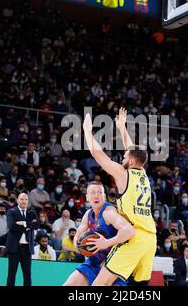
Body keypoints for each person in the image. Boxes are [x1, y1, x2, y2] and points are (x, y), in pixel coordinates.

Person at [83, 108, 157, 286]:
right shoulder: (143, 174)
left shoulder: (124, 174)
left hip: (134, 235)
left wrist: (86, 130)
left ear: (130, 161)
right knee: (139, 286)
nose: (122, 157)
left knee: (99, 284)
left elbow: (97, 154)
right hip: (151, 238)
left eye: (124, 156)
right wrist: (122, 127)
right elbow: (132, 150)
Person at [63, 181, 136, 286]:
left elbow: (129, 231)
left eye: (100, 193)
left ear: (104, 196)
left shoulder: (109, 213)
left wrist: (106, 242)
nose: (96, 196)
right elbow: (77, 236)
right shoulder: (88, 214)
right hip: (94, 263)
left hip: (114, 265)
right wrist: (79, 246)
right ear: (87, 197)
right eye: (92, 193)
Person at [6, 193, 39, 286]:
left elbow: (36, 225)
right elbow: (11, 226)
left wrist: (23, 223)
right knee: (12, 274)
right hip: (14, 248)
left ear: (28, 201)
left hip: (27, 248)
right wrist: (29, 226)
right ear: (17, 200)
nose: (24, 201)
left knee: (27, 275)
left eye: (25, 199)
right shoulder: (11, 211)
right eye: (21, 199)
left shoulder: (32, 212)